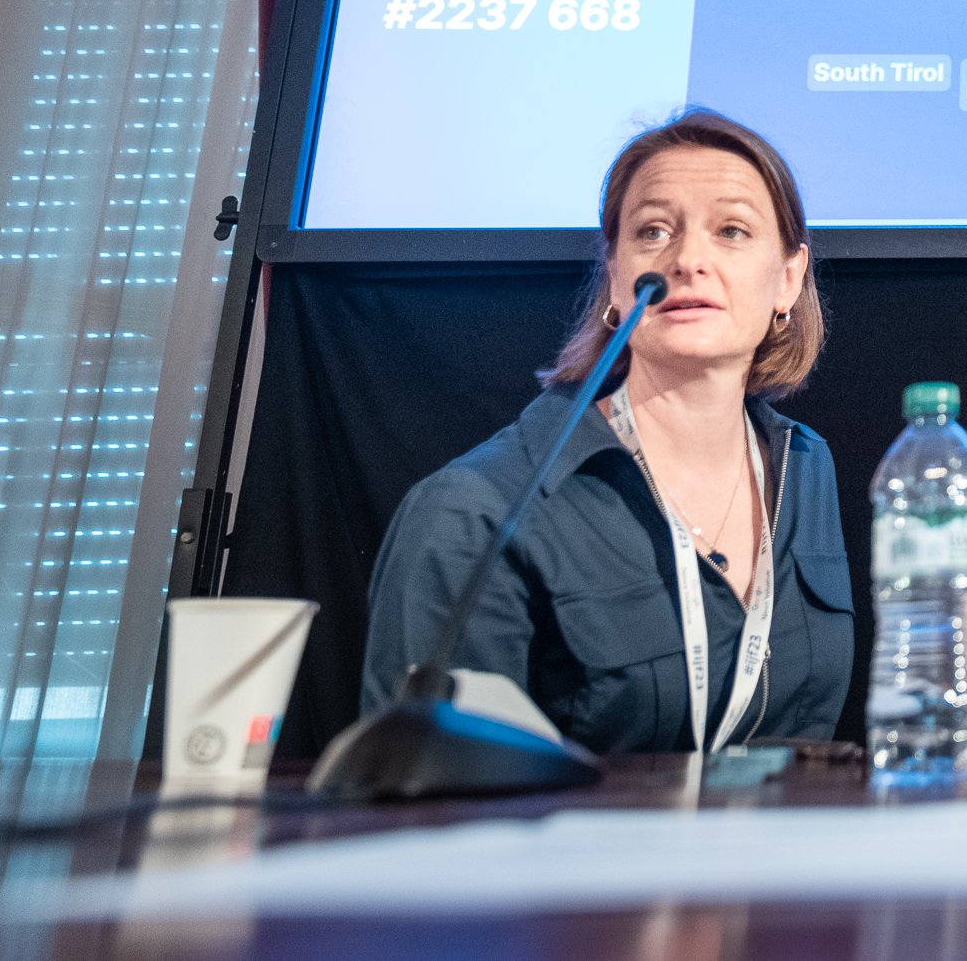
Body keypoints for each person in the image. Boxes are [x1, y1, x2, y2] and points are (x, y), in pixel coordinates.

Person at [360, 109, 854, 753]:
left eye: (731, 230)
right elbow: (424, 794)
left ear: (787, 279)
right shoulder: (471, 514)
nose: (688, 259)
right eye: (653, 231)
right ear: (616, 277)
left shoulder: (803, 467)